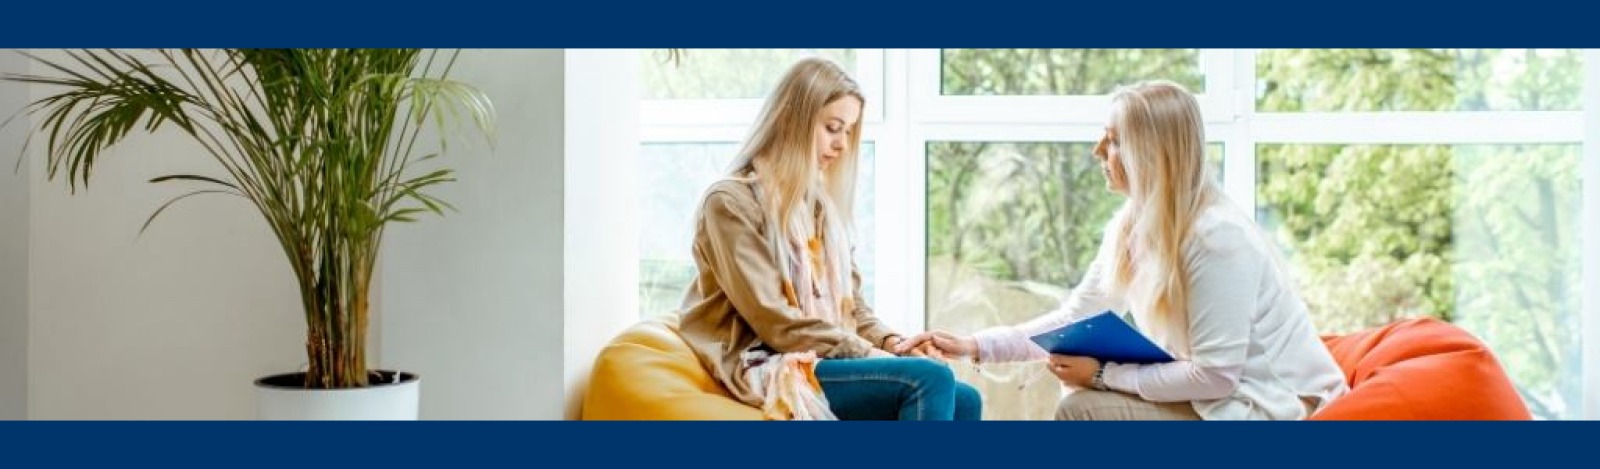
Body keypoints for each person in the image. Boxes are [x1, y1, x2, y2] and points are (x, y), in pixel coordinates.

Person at [896, 80, 1348, 421]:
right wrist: (974, 346)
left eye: (1113, 141)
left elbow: (1215, 375)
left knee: (1082, 408)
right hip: (1220, 400)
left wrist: (1101, 375)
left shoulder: (1217, 240)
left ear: (1152, 154)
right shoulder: (1133, 225)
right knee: (1078, 399)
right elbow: (1072, 317)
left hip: (1268, 411)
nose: (1098, 151)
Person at [676, 57, 982, 421]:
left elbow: (854, 312)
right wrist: (868, 354)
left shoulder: (819, 210)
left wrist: (894, 344)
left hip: (818, 356)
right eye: (834, 128)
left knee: (966, 398)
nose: (842, 145)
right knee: (927, 382)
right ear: (792, 120)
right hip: (765, 362)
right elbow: (776, 323)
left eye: (849, 132)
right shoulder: (730, 203)